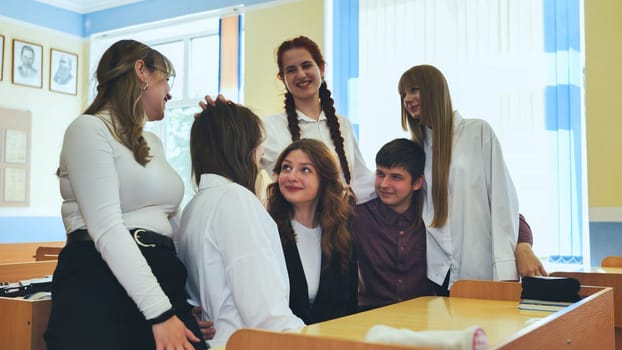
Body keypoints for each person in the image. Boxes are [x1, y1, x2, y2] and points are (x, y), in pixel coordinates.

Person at [45, 39, 206, 350]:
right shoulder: (88, 129)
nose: (170, 93)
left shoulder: (153, 143)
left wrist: (190, 299)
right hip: (101, 280)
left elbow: (175, 226)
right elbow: (105, 228)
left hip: (160, 278)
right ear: (141, 71)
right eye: (166, 79)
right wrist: (160, 313)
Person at [397, 64, 545, 294]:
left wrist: (510, 262)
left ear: (435, 90)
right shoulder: (416, 149)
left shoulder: (477, 132)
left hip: (480, 268)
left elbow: (502, 201)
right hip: (436, 275)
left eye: (414, 90)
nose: (408, 98)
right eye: (403, 94)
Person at [176, 97, 304, 347]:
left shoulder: (194, 206)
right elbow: (264, 310)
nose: (261, 155)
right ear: (242, 148)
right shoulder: (235, 200)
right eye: (258, 146)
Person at [354, 138, 540, 310]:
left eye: (396, 177)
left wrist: (523, 247)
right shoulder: (360, 215)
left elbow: (506, 216)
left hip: (428, 317)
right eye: (380, 174)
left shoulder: (434, 209)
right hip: (370, 316)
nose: (384, 184)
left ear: (418, 183)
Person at [261, 35, 375, 203]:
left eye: (306, 65)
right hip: (292, 226)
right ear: (282, 78)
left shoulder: (343, 125)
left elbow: (360, 180)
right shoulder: (268, 127)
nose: (300, 74)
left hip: (343, 225)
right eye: (291, 70)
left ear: (321, 68)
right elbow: (233, 158)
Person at [266, 139, 358, 324]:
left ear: (324, 179)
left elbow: (348, 305)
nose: (292, 177)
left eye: (305, 170)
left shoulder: (341, 231)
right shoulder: (266, 228)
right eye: (286, 168)